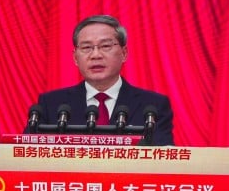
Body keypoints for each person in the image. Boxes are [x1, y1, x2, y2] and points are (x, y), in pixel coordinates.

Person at [28, 14, 174, 146]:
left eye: (105, 46)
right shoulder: (51, 104)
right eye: (86, 47)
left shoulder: (153, 106)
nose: (96, 55)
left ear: (124, 53)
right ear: (75, 58)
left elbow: (163, 157)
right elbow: (25, 152)